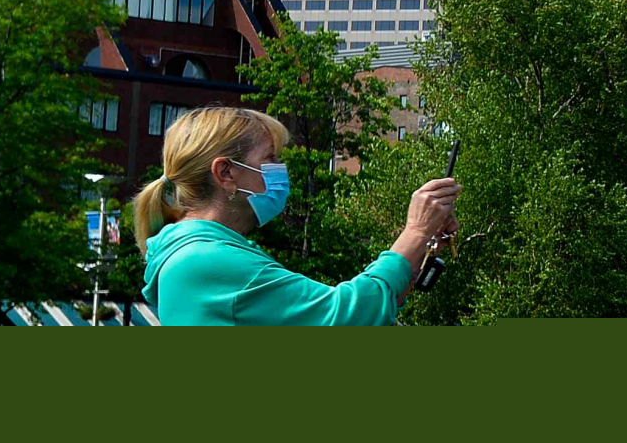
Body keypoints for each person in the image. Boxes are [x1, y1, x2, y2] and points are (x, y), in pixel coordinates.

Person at [132, 105, 458, 327]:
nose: (280, 170)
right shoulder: (208, 260)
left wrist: (417, 253)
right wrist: (414, 232)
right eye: (270, 158)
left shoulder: (195, 255)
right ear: (226, 173)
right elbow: (345, 319)